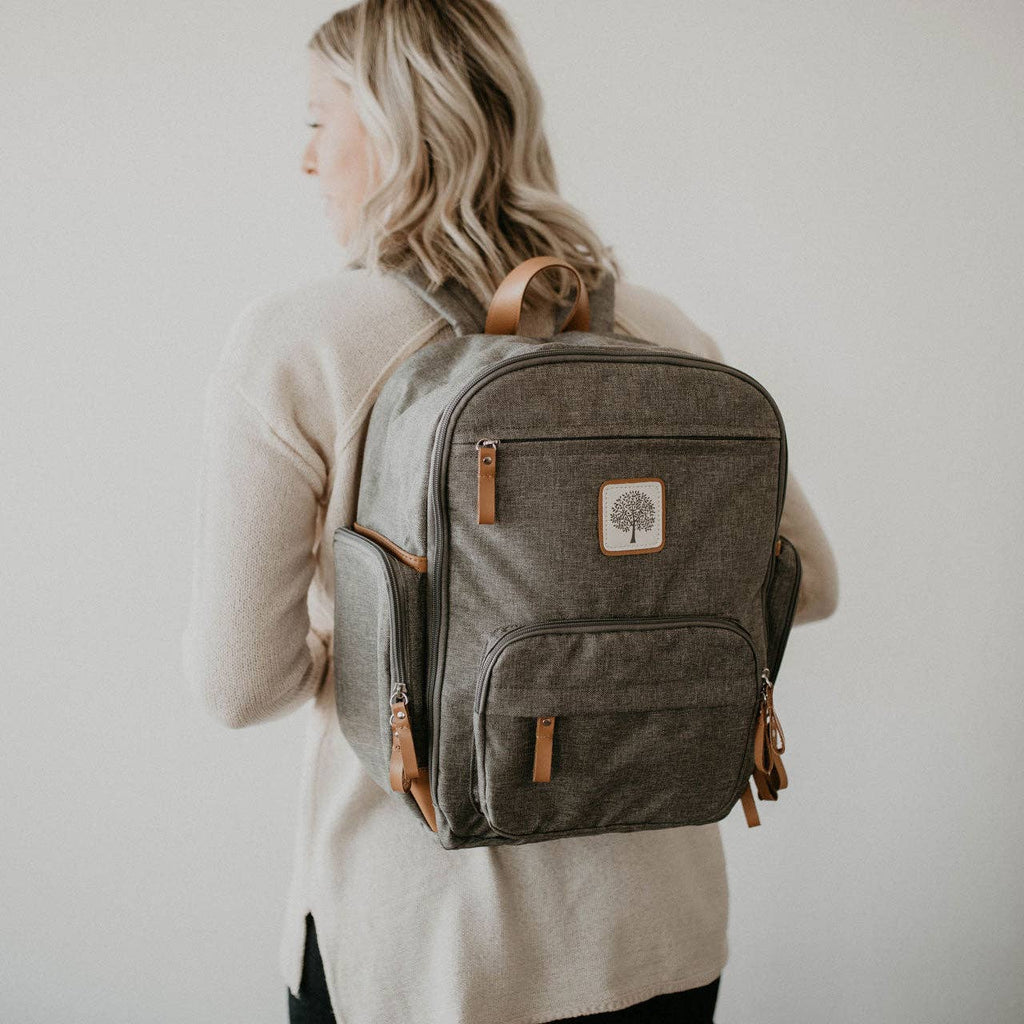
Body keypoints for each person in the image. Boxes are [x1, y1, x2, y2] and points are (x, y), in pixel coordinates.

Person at [180, 2, 841, 1022]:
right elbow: (810, 583)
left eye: (318, 120)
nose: (306, 159)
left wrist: (405, 637)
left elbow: (238, 684)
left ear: (395, 126)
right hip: (661, 928)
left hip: (426, 953)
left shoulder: (299, 341)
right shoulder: (657, 329)